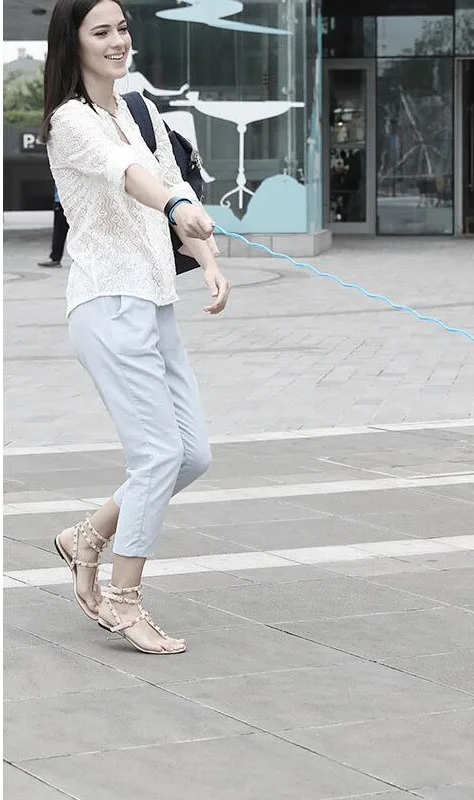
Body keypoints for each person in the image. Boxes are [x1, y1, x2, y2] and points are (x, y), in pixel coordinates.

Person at [40, 0, 231, 655]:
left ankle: (86, 537)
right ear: (74, 43)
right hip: (107, 303)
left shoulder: (140, 109)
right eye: (101, 32)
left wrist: (207, 258)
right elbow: (132, 176)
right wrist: (174, 202)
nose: (118, 40)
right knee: (157, 457)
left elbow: (174, 181)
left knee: (192, 455)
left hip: (153, 302)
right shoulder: (70, 121)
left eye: (122, 28)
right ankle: (122, 600)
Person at [38, 186, 69, 268]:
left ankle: (56, 259)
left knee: (59, 231)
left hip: (63, 201)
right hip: (68, 200)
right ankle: (57, 259)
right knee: (67, 231)